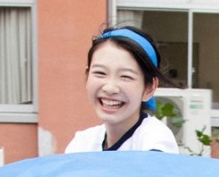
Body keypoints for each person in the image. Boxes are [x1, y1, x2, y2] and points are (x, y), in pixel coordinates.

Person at [65, 25, 179, 155]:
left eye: (126, 76)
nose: (110, 88)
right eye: (100, 73)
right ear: (87, 76)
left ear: (149, 88)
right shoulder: (82, 144)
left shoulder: (155, 140)